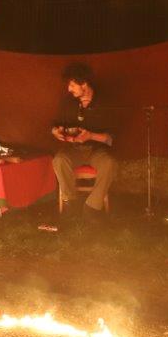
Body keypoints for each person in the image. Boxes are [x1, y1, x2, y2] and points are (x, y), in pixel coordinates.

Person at [50, 62, 117, 222]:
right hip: (75, 149)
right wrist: (55, 131)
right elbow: (56, 123)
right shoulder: (68, 102)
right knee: (59, 160)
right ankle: (71, 203)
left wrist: (91, 136)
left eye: (72, 85)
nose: (69, 89)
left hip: (96, 150)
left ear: (84, 84)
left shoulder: (105, 102)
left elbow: (110, 138)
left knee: (110, 164)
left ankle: (92, 207)